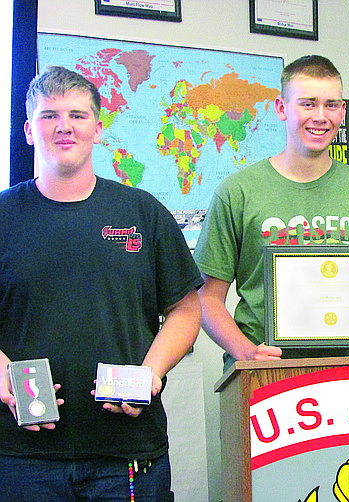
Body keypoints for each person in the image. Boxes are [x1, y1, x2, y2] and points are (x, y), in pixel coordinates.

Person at [0, 65, 203, 501]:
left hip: (127, 453)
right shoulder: (3, 216)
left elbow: (186, 309)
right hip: (20, 458)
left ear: (98, 127)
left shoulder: (142, 212)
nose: (64, 127)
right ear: (29, 131)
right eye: (49, 116)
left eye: (77, 115)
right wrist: (2, 375)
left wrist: (152, 373)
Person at [194, 55, 349, 367]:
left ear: (342, 111)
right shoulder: (237, 192)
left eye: (331, 105)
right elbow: (207, 298)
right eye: (308, 104)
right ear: (282, 109)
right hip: (264, 371)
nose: (320, 116)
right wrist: (246, 352)